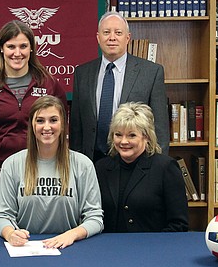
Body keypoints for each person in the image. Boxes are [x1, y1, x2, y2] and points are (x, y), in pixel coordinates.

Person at [0, 20, 68, 234]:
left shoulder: (48, 83)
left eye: (23, 46)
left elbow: (62, 125)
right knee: (1, 238)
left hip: (41, 174)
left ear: (31, 49)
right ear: (1, 49)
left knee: (39, 236)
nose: (17, 53)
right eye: (11, 46)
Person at [0, 95, 103, 249]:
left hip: (69, 247)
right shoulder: (12, 164)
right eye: (40, 121)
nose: (46, 127)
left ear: (64, 124)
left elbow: (95, 218)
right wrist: (10, 233)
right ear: (31, 125)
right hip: (26, 248)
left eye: (53, 120)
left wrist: (72, 234)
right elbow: (3, 215)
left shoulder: (83, 164)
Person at [70, 11, 169, 162]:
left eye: (118, 32)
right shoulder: (82, 74)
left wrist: (158, 167)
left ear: (127, 38)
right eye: (106, 32)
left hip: (136, 161)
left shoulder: (151, 73)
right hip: (92, 162)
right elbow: (77, 128)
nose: (112, 37)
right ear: (98, 37)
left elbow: (160, 128)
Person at [95, 102, 188, 233]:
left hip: (152, 249)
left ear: (147, 137)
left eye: (131, 135)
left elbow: (179, 224)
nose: (123, 141)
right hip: (110, 248)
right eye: (118, 134)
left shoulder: (166, 168)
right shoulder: (101, 168)